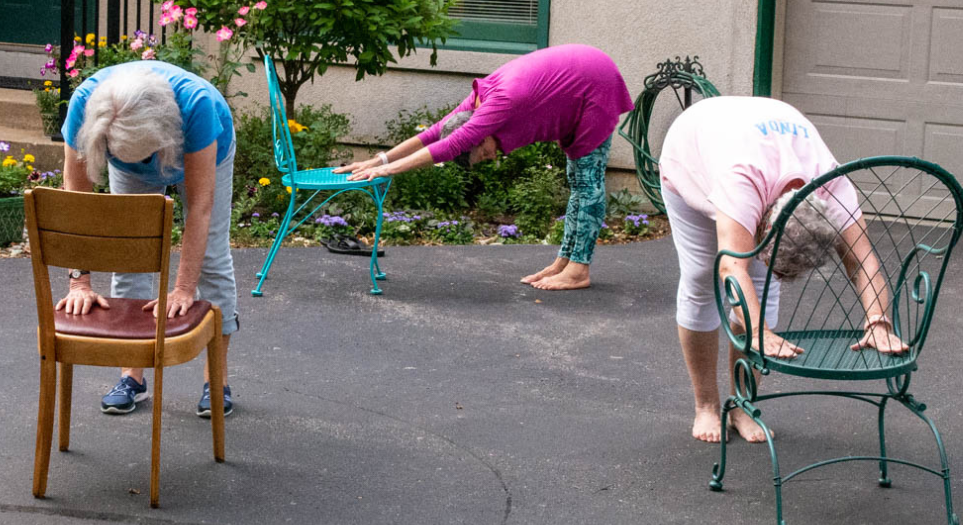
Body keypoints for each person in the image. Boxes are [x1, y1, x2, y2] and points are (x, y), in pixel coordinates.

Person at [658, 95, 907, 443]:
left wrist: (878, 321)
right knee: (703, 276)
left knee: (759, 290)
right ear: (761, 228)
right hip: (693, 150)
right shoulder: (741, 184)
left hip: (753, 140)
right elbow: (731, 267)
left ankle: (743, 406)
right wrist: (759, 332)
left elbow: (863, 260)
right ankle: (706, 405)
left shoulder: (832, 187)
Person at [338, 43, 633, 290]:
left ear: (479, 138)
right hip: (582, 81)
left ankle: (579, 270)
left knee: (586, 180)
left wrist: (387, 171)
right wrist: (378, 160)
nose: (490, 159)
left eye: (482, 156)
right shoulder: (476, 104)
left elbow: (449, 146)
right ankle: (565, 261)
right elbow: (433, 133)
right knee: (576, 179)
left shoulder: (498, 105)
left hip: (596, 83)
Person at [55, 60, 238, 419]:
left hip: (201, 146)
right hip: (133, 145)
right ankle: (131, 377)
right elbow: (76, 201)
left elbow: (200, 208)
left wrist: (184, 287)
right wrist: (80, 281)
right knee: (129, 253)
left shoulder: (197, 105)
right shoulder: (84, 107)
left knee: (212, 259)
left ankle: (216, 380)